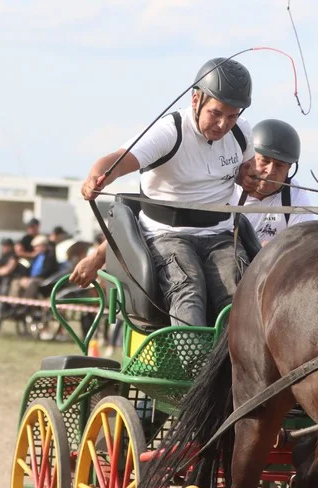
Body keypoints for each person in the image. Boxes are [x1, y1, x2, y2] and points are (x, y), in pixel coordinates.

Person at [71, 57, 256, 327]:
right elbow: (120, 159)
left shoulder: (241, 133)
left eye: (232, 116)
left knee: (240, 296)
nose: (223, 125)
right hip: (167, 235)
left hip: (220, 235)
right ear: (196, 100)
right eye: (215, 113)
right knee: (188, 288)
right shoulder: (170, 132)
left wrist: (248, 178)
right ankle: (193, 365)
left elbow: (245, 169)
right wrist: (97, 178)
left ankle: (238, 366)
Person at [233, 119, 314, 246]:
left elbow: (302, 244)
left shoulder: (295, 195)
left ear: (289, 168)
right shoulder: (229, 188)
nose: (270, 171)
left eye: (279, 166)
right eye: (264, 161)